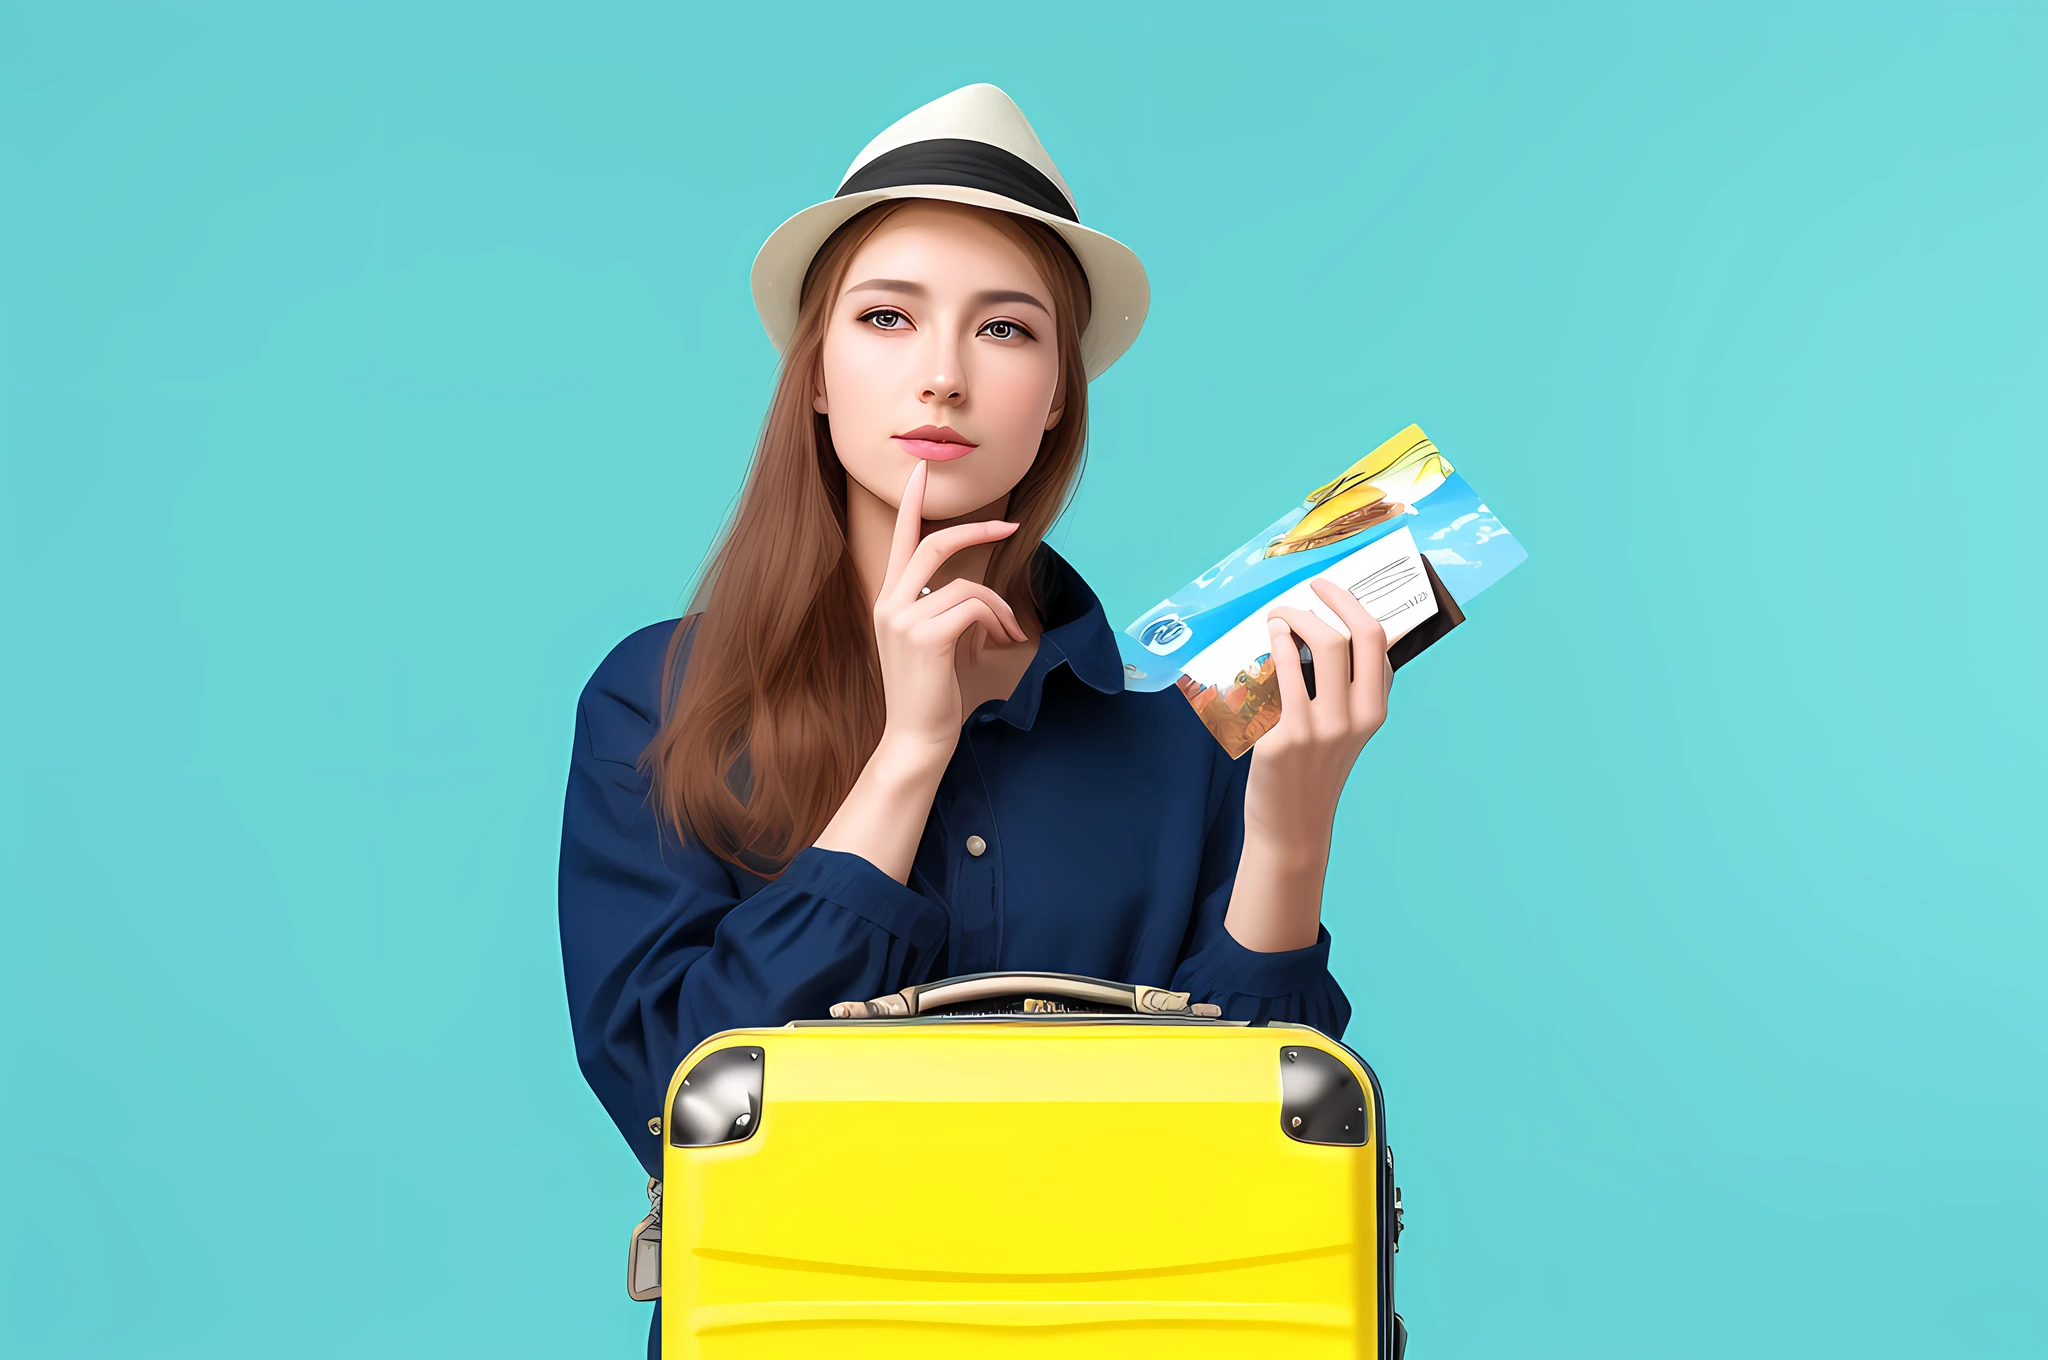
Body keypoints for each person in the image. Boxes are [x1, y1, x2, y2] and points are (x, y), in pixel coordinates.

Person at [557, 88, 1395, 1345]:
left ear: (1056, 394)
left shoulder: (1187, 721)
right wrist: (907, 751)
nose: (941, 376)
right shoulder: (657, 700)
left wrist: (1288, 828)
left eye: (1004, 330)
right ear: (819, 377)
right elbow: (675, 1097)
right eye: (886, 316)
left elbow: (1271, 1158)